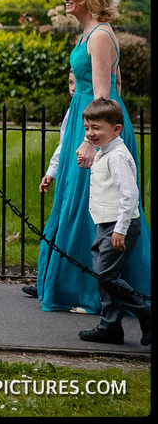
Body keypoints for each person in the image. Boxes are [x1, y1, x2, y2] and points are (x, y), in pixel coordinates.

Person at [28, 0, 151, 314]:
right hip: (92, 122)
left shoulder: (98, 36)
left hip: (96, 126)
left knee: (94, 206)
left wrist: (92, 142)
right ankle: (71, 281)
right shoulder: (90, 33)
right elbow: (119, 85)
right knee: (78, 199)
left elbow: (102, 94)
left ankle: (90, 291)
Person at [76, 98, 152, 346]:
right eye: (87, 128)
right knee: (104, 275)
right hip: (105, 224)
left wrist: (120, 229)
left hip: (119, 226)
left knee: (105, 274)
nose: (90, 133)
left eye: (96, 128)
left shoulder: (118, 156)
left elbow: (130, 196)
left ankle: (145, 313)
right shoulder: (104, 153)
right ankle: (110, 326)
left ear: (116, 129)